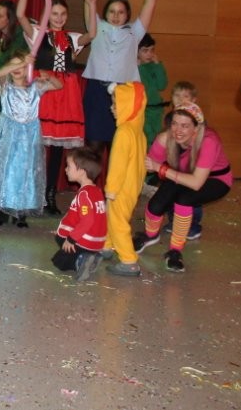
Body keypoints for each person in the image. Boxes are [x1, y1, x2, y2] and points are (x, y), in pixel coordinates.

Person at [16, 0, 86, 214]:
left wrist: (90, 2)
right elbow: (20, 15)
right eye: (54, 13)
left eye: (62, 13)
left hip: (65, 95)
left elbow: (93, 34)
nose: (58, 17)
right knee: (34, 146)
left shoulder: (72, 38)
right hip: (44, 92)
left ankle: (50, 195)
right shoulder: (38, 33)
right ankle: (28, 194)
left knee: (57, 150)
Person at [81, 0, 162, 150]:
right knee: (93, 146)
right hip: (96, 91)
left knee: (118, 147)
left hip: (123, 94)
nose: (116, 16)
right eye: (112, 11)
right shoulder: (96, 27)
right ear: (105, 12)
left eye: (121, 12)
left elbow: (149, 3)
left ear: (127, 14)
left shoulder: (135, 32)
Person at [135, 103, 230, 273]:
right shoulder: (166, 138)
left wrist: (161, 169)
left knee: (184, 200)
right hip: (180, 175)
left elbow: (196, 183)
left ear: (196, 128)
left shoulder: (208, 141)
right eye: (174, 124)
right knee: (156, 205)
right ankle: (150, 235)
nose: (178, 130)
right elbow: (149, 167)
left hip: (215, 180)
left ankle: (175, 250)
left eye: (185, 126)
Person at [0, 55, 62, 227]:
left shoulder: (35, 87)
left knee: (26, 171)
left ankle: (21, 211)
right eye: (13, 65)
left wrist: (48, 77)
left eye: (21, 66)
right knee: (5, 169)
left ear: (28, 69)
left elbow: (58, 85)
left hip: (29, 135)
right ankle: (1, 209)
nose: (17, 69)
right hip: (9, 133)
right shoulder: (5, 86)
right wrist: (23, 62)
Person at [102, 81, 148, 277]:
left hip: (120, 188)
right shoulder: (139, 132)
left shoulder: (123, 132)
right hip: (132, 187)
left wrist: (111, 189)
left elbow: (117, 166)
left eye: (116, 104)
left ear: (128, 106)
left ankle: (129, 260)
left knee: (118, 222)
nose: (112, 108)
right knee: (113, 217)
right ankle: (106, 245)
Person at [51, 147, 107, 281]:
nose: (66, 170)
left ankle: (81, 259)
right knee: (60, 237)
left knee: (59, 262)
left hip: (85, 240)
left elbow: (87, 221)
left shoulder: (84, 194)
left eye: (69, 166)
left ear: (81, 171)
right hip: (98, 242)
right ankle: (91, 256)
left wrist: (70, 239)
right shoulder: (97, 191)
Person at [137, 33, 168, 146]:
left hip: (157, 110)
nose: (149, 54)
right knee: (146, 138)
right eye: (145, 51)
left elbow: (162, 85)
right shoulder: (133, 69)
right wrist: (138, 67)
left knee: (157, 139)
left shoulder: (154, 66)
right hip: (143, 111)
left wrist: (158, 65)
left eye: (152, 50)